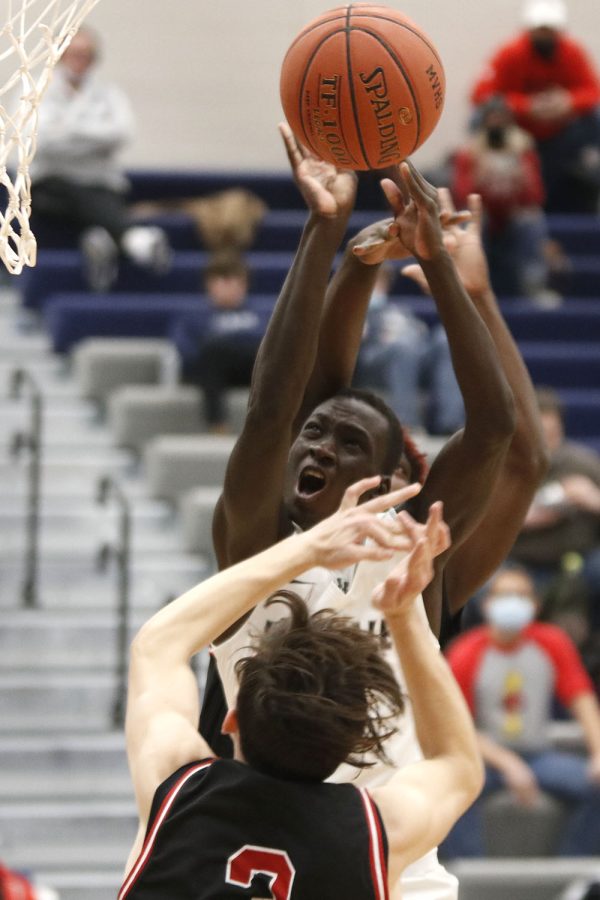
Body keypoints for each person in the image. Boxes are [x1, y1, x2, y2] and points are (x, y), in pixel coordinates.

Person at [201, 122, 547, 900]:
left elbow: (503, 437)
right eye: (311, 437)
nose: (313, 448)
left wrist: (446, 273)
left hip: (391, 856)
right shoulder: (253, 554)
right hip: (253, 844)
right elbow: (275, 407)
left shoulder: (414, 568)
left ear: (396, 478)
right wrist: (334, 239)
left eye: (342, 442)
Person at [119, 479, 483, 898]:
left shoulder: (177, 793)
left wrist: (308, 548)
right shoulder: (376, 833)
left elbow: (157, 646)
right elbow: (458, 763)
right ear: (352, 744)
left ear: (231, 717)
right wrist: (403, 614)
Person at [442, 562, 600, 858]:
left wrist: (598, 752)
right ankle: (472, 878)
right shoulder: (466, 652)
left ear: (535, 604)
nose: (513, 602)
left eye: (521, 595)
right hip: (484, 760)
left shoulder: (552, 642)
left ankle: (571, 876)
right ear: (487, 604)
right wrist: (508, 763)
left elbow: (582, 699)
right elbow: (454, 725)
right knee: (450, 790)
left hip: (539, 755)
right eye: (504, 595)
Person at [29, 28, 171, 290]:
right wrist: (94, 139)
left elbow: (121, 134)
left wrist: (67, 131)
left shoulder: (110, 95)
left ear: (94, 58)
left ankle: (95, 234)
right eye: (74, 54)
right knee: (66, 190)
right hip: (50, 190)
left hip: (100, 186)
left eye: (85, 55)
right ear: (60, 56)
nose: (79, 61)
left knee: (92, 195)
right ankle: (131, 238)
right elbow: (41, 141)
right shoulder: (37, 90)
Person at [470, 0, 600, 214]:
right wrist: (527, 106)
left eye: (550, 30)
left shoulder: (572, 53)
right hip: (519, 134)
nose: (545, 36)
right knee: (479, 117)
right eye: (540, 30)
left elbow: (593, 92)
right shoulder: (510, 53)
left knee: (594, 119)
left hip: (561, 134)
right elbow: (480, 94)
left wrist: (567, 102)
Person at [451, 95, 559, 304]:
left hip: (512, 216)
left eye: (501, 120)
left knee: (531, 220)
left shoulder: (523, 150)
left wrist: (521, 176)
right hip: (483, 216)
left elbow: (537, 197)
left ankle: (534, 286)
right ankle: (463, 286)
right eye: (492, 119)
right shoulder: (470, 152)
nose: (496, 125)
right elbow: (461, 196)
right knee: (466, 222)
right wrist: (482, 176)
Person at [511, 386, 600, 639]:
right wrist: (534, 515)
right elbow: (481, 523)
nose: (548, 442)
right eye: (540, 434)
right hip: (520, 562)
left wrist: (592, 499)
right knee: (486, 588)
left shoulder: (584, 462)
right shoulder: (507, 466)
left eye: (553, 434)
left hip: (579, 560)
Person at [353, 263, 465, 435]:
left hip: (413, 357)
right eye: (374, 280)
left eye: (382, 281)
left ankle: (452, 424)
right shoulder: (353, 309)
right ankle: (407, 426)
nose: (378, 286)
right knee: (403, 348)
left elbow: (420, 335)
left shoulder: (399, 310)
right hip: (373, 359)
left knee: (445, 339)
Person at [171, 252, 267, 433]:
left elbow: (270, 348)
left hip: (253, 370)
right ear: (209, 284)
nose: (229, 286)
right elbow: (188, 353)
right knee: (213, 352)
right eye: (223, 279)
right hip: (211, 373)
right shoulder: (191, 318)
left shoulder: (261, 316)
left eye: (236, 280)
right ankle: (218, 425)